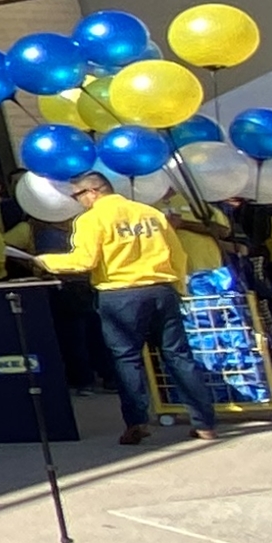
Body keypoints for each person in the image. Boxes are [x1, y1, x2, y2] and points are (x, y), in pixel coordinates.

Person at [30, 171, 229, 446]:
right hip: (161, 288)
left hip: (119, 292)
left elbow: (84, 261)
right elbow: (177, 252)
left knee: (127, 359)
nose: (78, 202)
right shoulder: (149, 213)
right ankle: (204, 423)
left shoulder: (92, 219)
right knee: (178, 356)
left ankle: (137, 421)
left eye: (78, 196)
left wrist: (46, 262)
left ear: (93, 192)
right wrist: (177, 287)